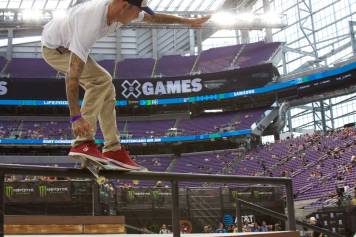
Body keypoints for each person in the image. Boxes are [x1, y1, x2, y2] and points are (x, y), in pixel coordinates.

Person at [41, 0, 210, 170]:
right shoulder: (90, 21)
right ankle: (82, 143)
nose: (138, 16)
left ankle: (113, 149)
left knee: (106, 86)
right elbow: (72, 78)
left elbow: (153, 18)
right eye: (137, 11)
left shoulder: (123, 10)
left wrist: (187, 21)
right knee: (100, 81)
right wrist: (76, 118)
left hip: (68, 43)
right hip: (54, 49)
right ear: (124, 5)